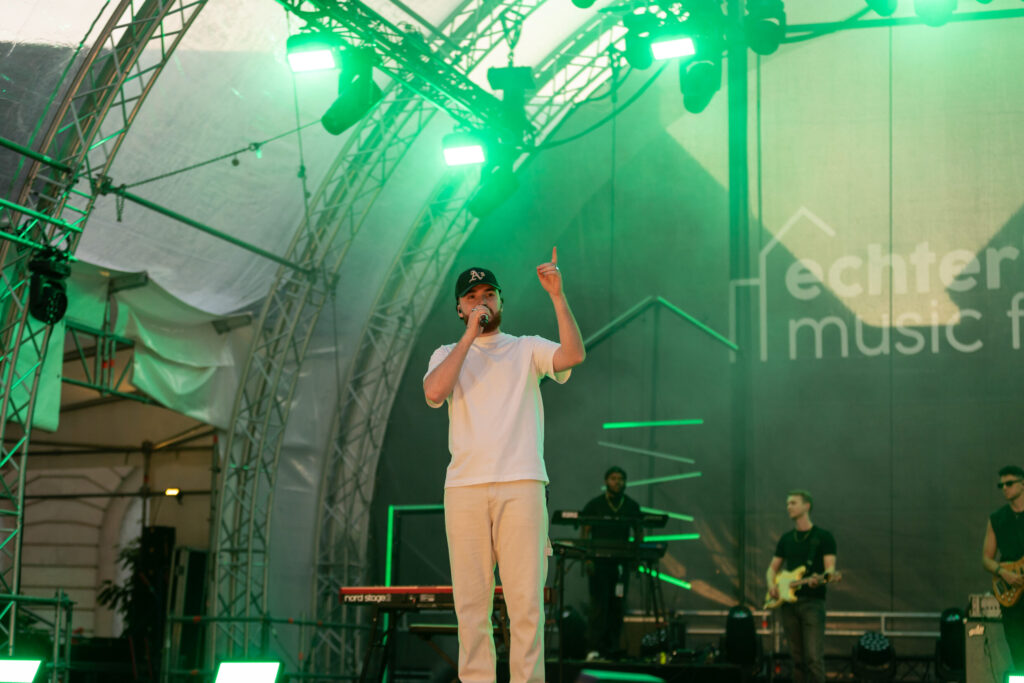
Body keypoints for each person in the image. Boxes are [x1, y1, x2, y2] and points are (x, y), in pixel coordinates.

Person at [423, 248, 585, 683]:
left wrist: (557, 295)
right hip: (465, 490)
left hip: (522, 484)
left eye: (489, 293)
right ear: (459, 308)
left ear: (501, 300)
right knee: (471, 607)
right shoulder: (445, 353)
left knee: (525, 604)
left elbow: (572, 356)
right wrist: (469, 338)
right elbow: (436, 392)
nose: (482, 301)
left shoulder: (526, 348)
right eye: (472, 296)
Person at [765, 490, 837, 683]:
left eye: (793, 503)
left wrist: (820, 579)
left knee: (813, 658)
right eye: (788, 503)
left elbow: (831, 573)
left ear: (807, 506)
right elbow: (771, 570)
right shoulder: (786, 538)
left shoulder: (823, 537)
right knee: (796, 659)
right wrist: (772, 586)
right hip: (788, 604)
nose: (789, 507)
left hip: (813, 604)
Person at [580, 466, 641, 660]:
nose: (617, 482)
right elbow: (585, 531)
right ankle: (593, 649)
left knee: (617, 606)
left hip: (621, 564)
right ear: (606, 481)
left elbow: (639, 532)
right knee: (598, 606)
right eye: (614, 478)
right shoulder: (595, 504)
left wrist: (635, 557)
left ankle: (612, 647)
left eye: (621, 479)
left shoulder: (631, 506)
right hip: (599, 564)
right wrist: (587, 558)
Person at [982, 465, 1024, 668]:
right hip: (1011, 593)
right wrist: (1003, 573)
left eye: (1009, 483)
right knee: (1017, 648)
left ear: (1023, 484)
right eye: (1001, 485)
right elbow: (986, 559)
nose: (1004, 488)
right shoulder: (997, 519)